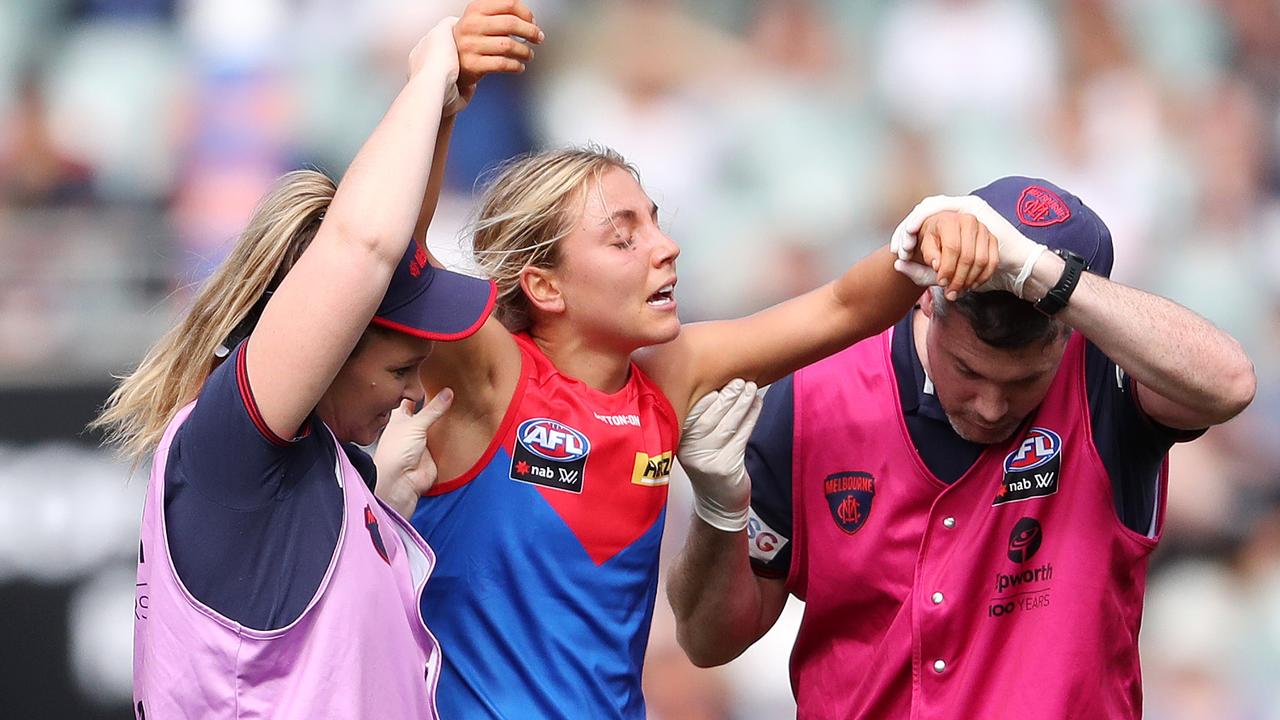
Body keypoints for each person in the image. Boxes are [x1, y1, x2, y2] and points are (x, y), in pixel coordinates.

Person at [391, 20, 1002, 717]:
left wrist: (927, 235)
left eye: (655, 221)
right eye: (625, 237)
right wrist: (440, 99)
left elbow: (839, 306)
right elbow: (400, 263)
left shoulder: (667, 378)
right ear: (545, 287)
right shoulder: (488, 379)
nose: (667, 247)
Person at [666, 177, 1259, 719]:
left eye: (1024, 380)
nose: (991, 407)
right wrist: (720, 510)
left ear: (1067, 331)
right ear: (929, 299)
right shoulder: (814, 391)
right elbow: (707, 639)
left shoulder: (1105, 377)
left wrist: (1037, 271)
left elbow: (1229, 383)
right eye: (968, 371)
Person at [90, 9, 539, 717]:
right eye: (400, 371)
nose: (415, 393)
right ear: (327, 349)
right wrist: (426, 75)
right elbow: (363, 250)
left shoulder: (318, 477)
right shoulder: (232, 451)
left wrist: (382, 501)